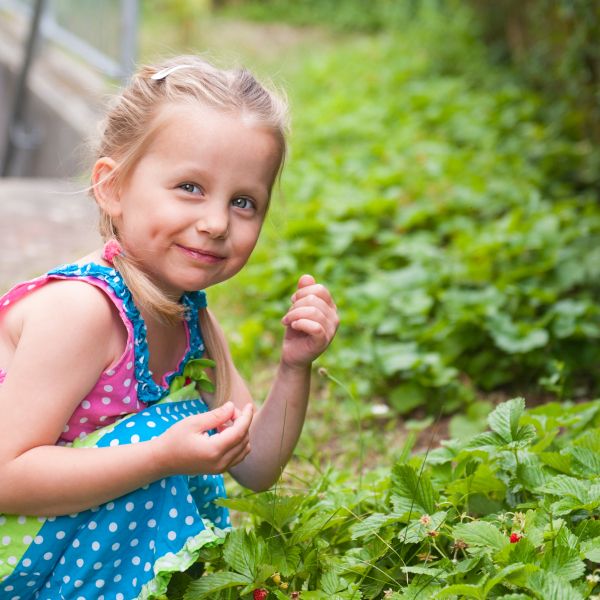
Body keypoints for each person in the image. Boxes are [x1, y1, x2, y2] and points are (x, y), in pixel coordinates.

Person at [0, 55, 339, 599]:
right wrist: (160, 457)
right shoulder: (82, 312)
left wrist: (294, 366)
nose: (216, 223)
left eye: (244, 201)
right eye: (189, 187)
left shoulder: (190, 317)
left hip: (57, 543)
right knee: (152, 448)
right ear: (112, 187)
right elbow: (5, 477)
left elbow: (254, 464)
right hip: (16, 547)